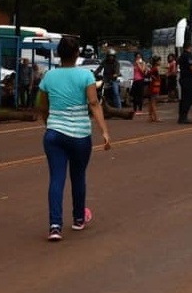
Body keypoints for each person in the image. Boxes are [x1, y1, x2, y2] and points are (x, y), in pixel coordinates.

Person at [38, 36, 110, 242]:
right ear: (77, 54)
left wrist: (49, 123)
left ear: (58, 54)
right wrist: (104, 131)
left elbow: (43, 106)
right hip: (80, 134)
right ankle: (78, 219)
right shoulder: (85, 76)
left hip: (54, 134)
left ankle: (54, 226)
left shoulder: (49, 77)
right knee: (78, 176)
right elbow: (94, 104)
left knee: (56, 179)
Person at [177, 43, 192, 124]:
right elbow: (191, 67)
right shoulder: (188, 55)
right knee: (188, 98)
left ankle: (181, 117)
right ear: (189, 47)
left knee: (183, 98)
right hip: (188, 79)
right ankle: (184, 117)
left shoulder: (182, 55)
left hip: (183, 79)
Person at [148, 55, 162, 122]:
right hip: (154, 86)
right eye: (159, 60)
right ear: (156, 62)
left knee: (152, 102)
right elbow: (150, 74)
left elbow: (150, 74)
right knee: (153, 102)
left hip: (154, 86)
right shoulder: (155, 69)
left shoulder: (153, 68)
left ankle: (151, 116)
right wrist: (155, 78)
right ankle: (155, 117)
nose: (160, 62)